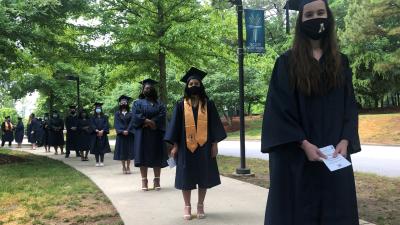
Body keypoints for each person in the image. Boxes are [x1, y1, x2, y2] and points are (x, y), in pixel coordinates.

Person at [260, 1, 361, 225]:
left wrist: (346, 139)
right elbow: (279, 111)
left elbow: (349, 106)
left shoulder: (340, 62)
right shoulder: (286, 63)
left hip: (334, 155)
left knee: (335, 213)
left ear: (329, 16)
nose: (316, 18)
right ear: (301, 21)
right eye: (309, 15)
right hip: (297, 159)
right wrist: (303, 144)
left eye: (321, 13)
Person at [164, 67, 227, 220]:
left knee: (203, 175)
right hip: (186, 147)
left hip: (204, 147)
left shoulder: (208, 104)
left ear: (201, 86)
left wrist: (215, 144)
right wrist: (175, 146)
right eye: (191, 83)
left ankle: (200, 205)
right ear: (187, 86)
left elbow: (214, 125)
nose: (193, 85)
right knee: (186, 176)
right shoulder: (180, 105)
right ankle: (187, 206)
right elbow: (175, 127)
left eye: (196, 83)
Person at [131, 79, 167, 191]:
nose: (148, 89)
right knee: (143, 157)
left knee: (157, 156)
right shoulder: (137, 103)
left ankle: (157, 180)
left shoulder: (159, 104)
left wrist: (153, 122)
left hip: (156, 134)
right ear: (142, 89)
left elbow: (162, 115)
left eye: (150, 88)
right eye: (146, 88)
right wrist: (148, 122)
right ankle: (144, 181)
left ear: (153, 89)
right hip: (142, 135)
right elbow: (136, 115)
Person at [113, 95, 135, 174]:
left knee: (129, 151)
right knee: (122, 152)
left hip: (129, 135)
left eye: (125, 102)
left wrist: (128, 130)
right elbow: (116, 124)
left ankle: (128, 167)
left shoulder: (131, 113)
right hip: (121, 136)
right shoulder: (117, 114)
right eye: (122, 102)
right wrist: (122, 131)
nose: (123, 103)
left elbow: (132, 123)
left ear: (127, 103)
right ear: (120, 104)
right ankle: (123, 167)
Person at [90, 102, 111, 167]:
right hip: (95, 135)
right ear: (95, 109)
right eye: (97, 108)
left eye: (99, 108)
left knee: (102, 148)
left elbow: (106, 124)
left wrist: (102, 131)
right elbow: (92, 124)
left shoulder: (105, 117)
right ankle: (97, 161)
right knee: (96, 148)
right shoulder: (92, 117)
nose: (98, 109)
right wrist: (96, 130)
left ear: (101, 109)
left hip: (103, 134)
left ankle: (102, 161)